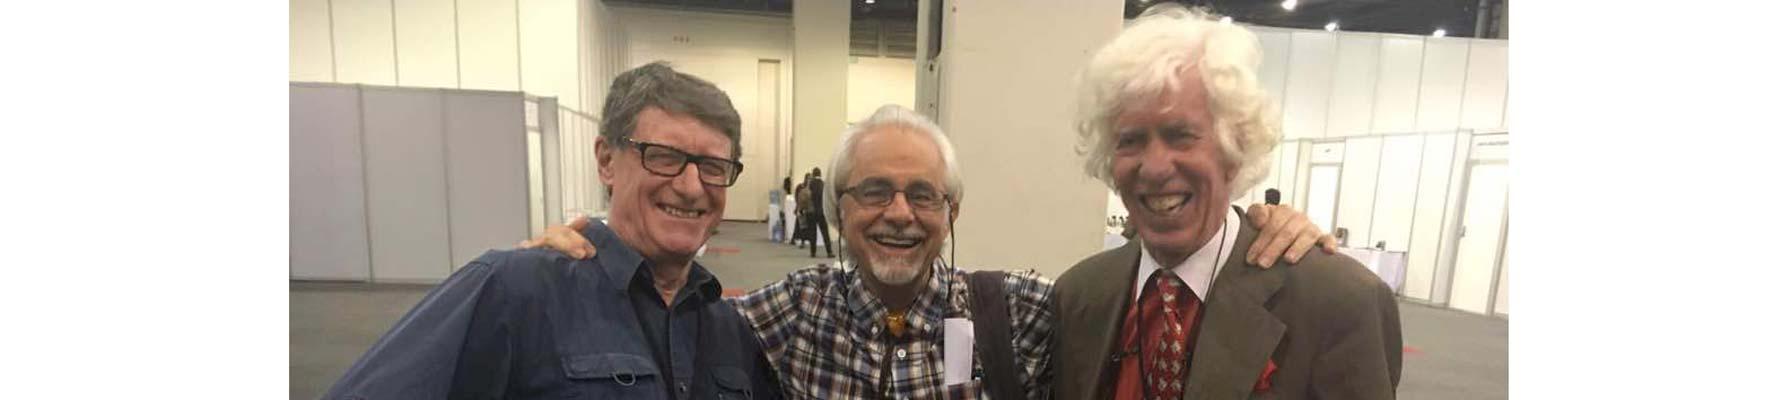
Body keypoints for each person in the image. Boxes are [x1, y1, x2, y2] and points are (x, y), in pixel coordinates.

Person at [526, 105, 1334, 399]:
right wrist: (579, 256)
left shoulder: (1024, 309)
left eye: (923, 196)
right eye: (873, 192)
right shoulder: (782, 313)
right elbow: (667, 308)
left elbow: (1162, 296)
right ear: (837, 209)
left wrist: (1256, 229)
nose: (899, 216)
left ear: (953, 211)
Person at [325, 62, 783, 399]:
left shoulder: (731, 331)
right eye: (663, 156)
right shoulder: (512, 289)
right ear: (606, 161)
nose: (690, 186)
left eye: (713, 166)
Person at [1050, 6, 1403, 399]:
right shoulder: (1077, 296)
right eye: (1130, 140)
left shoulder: (1339, 303)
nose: (1153, 167)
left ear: (1235, 150)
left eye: (1180, 135)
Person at [806, 166, 835, 258]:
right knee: (825, 232)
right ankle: (829, 251)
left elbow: (807, 197)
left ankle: (813, 252)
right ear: (820, 174)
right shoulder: (823, 184)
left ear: (813, 174)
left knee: (812, 232)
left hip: (811, 212)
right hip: (821, 211)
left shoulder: (810, 185)